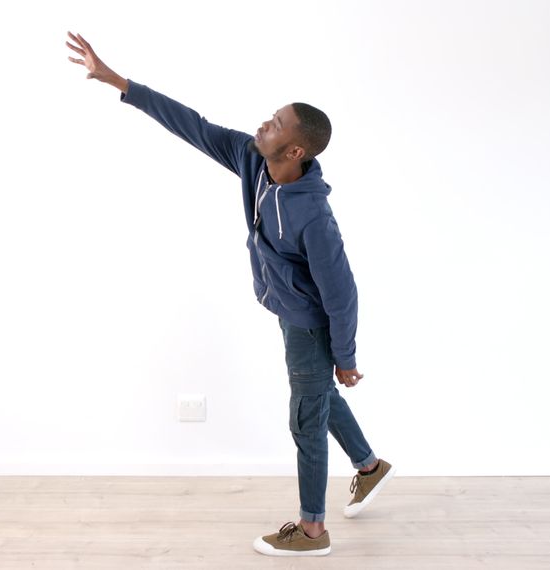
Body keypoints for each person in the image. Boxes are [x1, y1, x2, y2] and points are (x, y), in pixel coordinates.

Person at [65, 31, 396, 557]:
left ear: (296, 150)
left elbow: (342, 293)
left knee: (306, 416)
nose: (264, 124)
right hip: (288, 310)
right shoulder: (252, 159)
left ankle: (313, 531)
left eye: (276, 123)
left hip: (311, 324)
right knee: (317, 396)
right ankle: (369, 466)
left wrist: (346, 356)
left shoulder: (314, 215)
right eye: (271, 116)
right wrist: (119, 82)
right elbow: (192, 125)